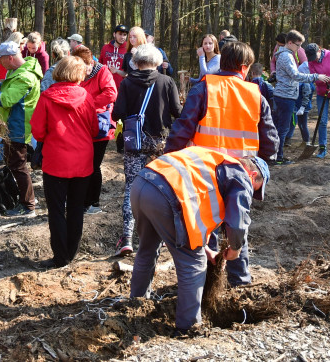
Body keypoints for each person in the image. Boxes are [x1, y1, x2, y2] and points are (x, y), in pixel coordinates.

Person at [165, 41, 277, 286]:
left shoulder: (204, 88)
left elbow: (183, 127)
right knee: (237, 226)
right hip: (241, 173)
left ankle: (204, 283)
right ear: (245, 67)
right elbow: (270, 141)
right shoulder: (255, 95)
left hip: (204, 171)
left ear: (222, 61)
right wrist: (263, 164)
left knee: (206, 227)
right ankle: (240, 283)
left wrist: (169, 157)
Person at [128, 147, 269, 335]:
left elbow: (199, 208)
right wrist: (235, 248)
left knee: (147, 249)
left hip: (143, 183)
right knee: (194, 262)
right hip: (167, 195)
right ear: (252, 175)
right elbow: (237, 221)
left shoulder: (215, 161)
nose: (250, 194)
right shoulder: (240, 175)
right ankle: (188, 328)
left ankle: (136, 303)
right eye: (254, 189)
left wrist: (206, 248)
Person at [112, 44, 182, 255]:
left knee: (132, 189)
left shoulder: (126, 83)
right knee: (161, 189)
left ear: (135, 62)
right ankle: (160, 237)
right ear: (158, 62)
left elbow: (117, 114)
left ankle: (126, 238)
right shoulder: (167, 81)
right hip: (159, 144)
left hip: (134, 143)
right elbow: (178, 112)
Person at [31, 57, 97, 268]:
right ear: (79, 74)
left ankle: (61, 257)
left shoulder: (47, 97)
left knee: (57, 210)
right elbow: (94, 129)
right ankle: (71, 252)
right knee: (76, 208)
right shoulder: (86, 97)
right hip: (82, 160)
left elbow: (38, 131)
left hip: (56, 161)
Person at [0, 39, 44, 216]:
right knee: (14, 163)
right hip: (13, 125)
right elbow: (10, 91)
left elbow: (7, 99)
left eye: (1, 59)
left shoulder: (24, 76)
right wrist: (1, 85)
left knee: (19, 165)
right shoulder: (17, 71)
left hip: (19, 127)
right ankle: (22, 197)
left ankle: (28, 205)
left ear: (11, 58)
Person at [72, 45, 117, 215]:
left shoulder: (102, 72)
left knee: (94, 165)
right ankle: (82, 200)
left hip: (100, 124)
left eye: (87, 65)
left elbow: (111, 93)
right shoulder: (76, 72)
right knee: (82, 164)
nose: (85, 70)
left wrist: (87, 102)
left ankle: (93, 202)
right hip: (81, 124)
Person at [272, 30, 325, 164]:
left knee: (280, 127)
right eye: (298, 45)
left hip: (284, 95)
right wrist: (316, 77)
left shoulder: (287, 54)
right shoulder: (286, 56)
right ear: (289, 43)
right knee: (282, 128)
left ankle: (276, 155)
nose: (299, 48)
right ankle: (278, 157)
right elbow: (295, 75)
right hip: (285, 96)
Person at [100, 24, 130, 91]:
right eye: (120, 34)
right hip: (106, 85)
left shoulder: (128, 50)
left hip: (122, 86)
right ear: (114, 34)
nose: (122, 37)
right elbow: (100, 65)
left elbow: (129, 71)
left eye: (124, 35)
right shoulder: (105, 48)